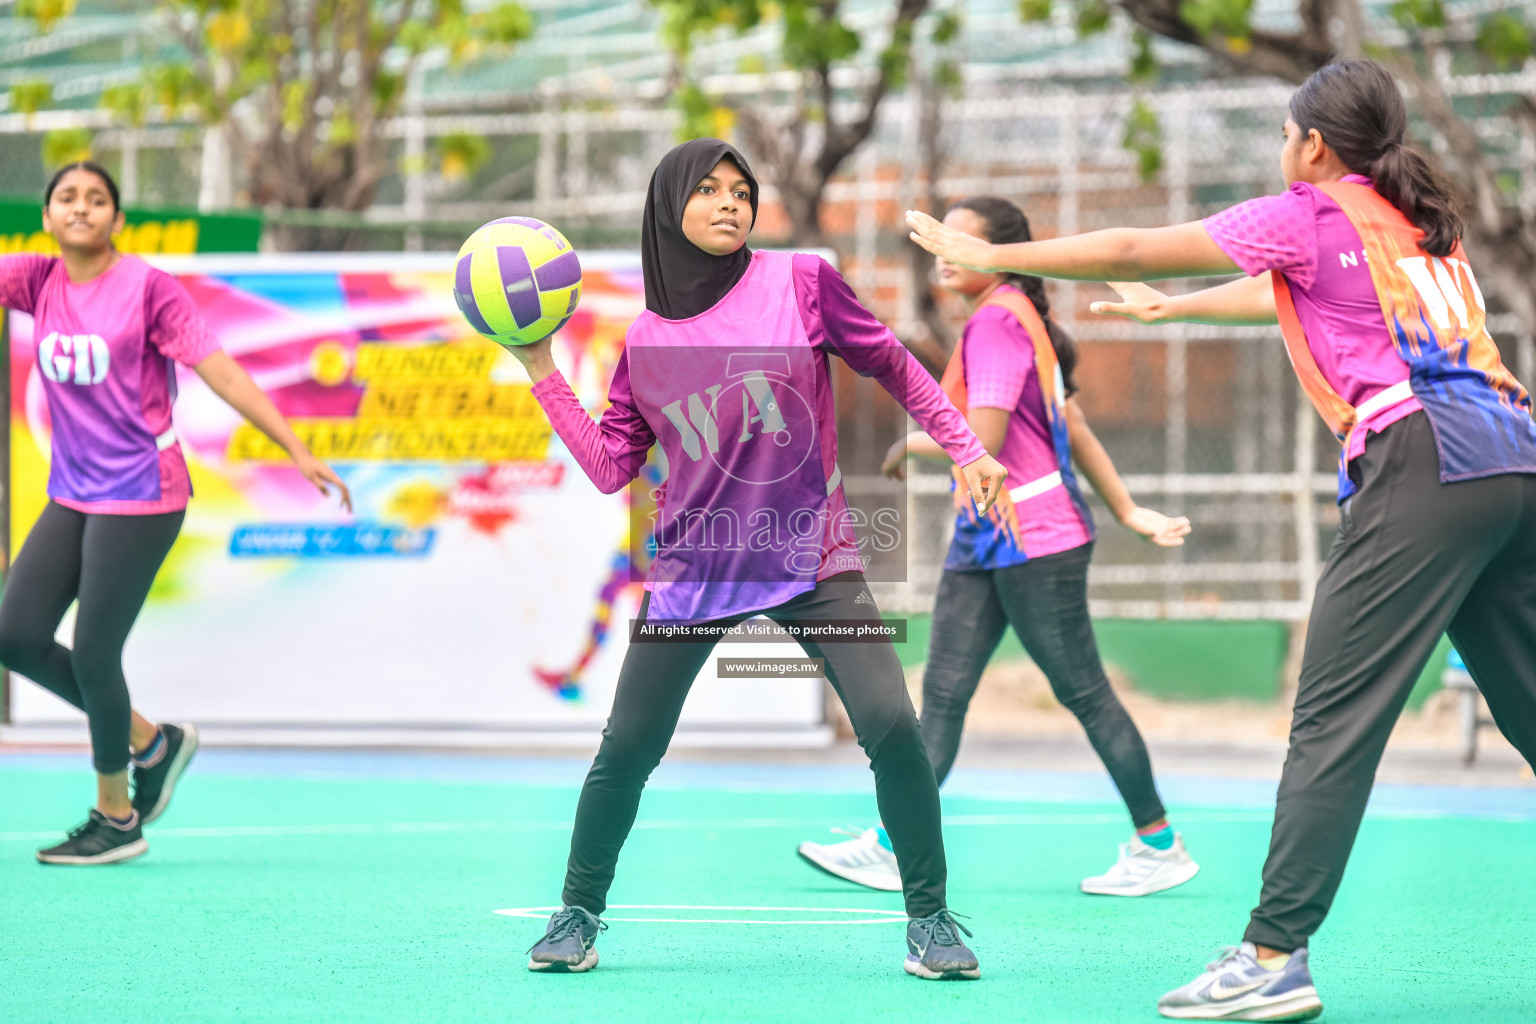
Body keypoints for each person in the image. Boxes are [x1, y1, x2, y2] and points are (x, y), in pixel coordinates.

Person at [908, 59, 1536, 1022]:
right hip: (1511, 454)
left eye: (1286, 134)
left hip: (1424, 464)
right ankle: (1272, 952)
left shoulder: (1313, 207)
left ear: (1313, 143)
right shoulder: (1418, 224)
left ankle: (1273, 955)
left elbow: (1132, 241)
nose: (1282, 150)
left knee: (1332, 719)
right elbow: (1290, 297)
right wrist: (1181, 307)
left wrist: (998, 255)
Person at [509, 138, 1007, 980]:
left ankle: (931, 921)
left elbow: (890, 362)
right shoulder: (645, 341)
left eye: (741, 191)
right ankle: (577, 914)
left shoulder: (800, 283)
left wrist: (964, 446)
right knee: (626, 748)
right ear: (670, 208)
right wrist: (540, 371)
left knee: (892, 724)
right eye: (707, 191)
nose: (730, 203)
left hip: (812, 556)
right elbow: (608, 468)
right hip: (696, 569)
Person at [796, 195, 1198, 899]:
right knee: (944, 694)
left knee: (1084, 693)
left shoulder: (998, 324)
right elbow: (1072, 423)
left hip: (1033, 538)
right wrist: (1129, 509)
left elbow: (977, 441)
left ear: (998, 252)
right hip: (988, 537)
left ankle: (1159, 843)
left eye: (959, 237)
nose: (943, 249)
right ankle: (894, 843)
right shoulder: (1020, 321)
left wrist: (907, 445)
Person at [0, 162, 352, 866]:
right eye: (66, 198)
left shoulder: (148, 289)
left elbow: (219, 370)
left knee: (97, 650)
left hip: (143, 491)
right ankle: (152, 744)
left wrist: (295, 447)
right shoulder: (36, 280)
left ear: (117, 220)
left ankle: (117, 814)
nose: (81, 208)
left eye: (96, 199)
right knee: (14, 633)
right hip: (74, 490)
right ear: (46, 217)